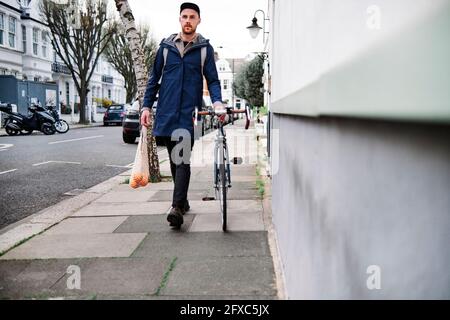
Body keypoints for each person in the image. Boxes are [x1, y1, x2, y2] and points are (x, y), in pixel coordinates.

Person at [140, 2, 224, 228]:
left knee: (182, 158)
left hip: (189, 113)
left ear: (198, 21)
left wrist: (217, 102)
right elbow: (154, 79)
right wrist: (146, 107)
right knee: (175, 161)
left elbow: (213, 80)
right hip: (166, 112)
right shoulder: (166, 48)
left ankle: (176, 207)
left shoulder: (204, 49)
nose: (188, 20)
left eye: (192, 17)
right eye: (184, 16)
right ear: (180, 19)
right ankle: (184, 200)